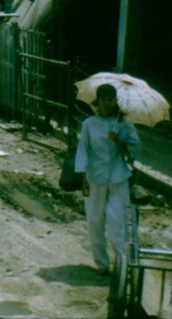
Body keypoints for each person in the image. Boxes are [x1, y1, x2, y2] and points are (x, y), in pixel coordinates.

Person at [75, 83, 140, 274]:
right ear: (97, 101)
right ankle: (102, 264)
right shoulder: (89, 124)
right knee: (95, 220)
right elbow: (83, 151)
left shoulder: (123, 123)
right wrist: (83, 178)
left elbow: (136, 148)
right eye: (104, 100)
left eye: (111, 100)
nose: (108, 104)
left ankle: (121, 264)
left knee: (117, 220)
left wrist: (120, 140)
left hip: (118, 177)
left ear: (115, 101)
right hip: (94, 177)